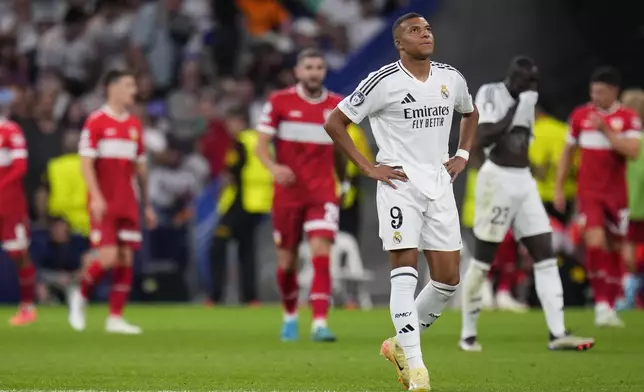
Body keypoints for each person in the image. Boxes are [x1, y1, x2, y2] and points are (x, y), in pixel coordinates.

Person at [324, 13, 479, 391]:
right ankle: (417, 369)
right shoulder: (383, 81)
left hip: (439, 183)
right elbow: (334, 122)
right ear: (399, 43)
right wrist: (367, 166)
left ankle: (397, 345)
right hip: (399, 184)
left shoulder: (450, 78)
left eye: (427, 29)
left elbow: (470, 112)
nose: (425, 34)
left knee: (447, 280)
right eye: (414, 31)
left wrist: (462, 153)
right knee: (405, 272)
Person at [459, 57, 594, 353]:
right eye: (525, 80)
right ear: (512, 77)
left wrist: (524, 103)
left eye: (533, 82)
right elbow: (484, 135)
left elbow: (521, 141)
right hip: (496, 180)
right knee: (483, 261)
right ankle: (467, 333)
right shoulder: (491, 92)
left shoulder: (530, 99)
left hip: (524, 181)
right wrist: (516, 105)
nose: (530, 86)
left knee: (545, 255)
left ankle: (557, 333)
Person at [256, 48, 343, 342]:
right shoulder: (279, 102)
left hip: (322, 193)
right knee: (287, 262)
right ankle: (290, 315)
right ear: (298, 72)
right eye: (308, 66)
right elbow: (260, 145)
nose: (314, 72)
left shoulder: (337, 106)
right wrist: (273, 166)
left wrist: (341, 183)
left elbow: (342, 149)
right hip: (288, 194)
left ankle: (320, 322)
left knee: (321, 253)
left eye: (319, 66)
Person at [68, 69, 157, 334]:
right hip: (104, 202)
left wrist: (148, 205)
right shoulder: (96, 122)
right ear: (112, 88)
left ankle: (115, 318)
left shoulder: (134, 125)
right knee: (107, 258)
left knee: (126, 258)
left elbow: (141, 169)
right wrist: (95, 196)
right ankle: (80, 295)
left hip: (128, 202)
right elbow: (86, 164)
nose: (134, 90)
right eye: (129, 85)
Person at [555, 67, 642, 326]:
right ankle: (602, 305)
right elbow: (567, 153)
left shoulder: (628, 118)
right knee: (595, 243)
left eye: (601, 92)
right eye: (593, 91)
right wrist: (560, 187)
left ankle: (611, 302)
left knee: (616, 249)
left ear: (614, 91)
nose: (596, 96)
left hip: (617, 194)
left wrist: (606, 130)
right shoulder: (580, 115)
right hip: (589, 192)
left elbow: (634, 150)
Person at [209, 107, 273, 305]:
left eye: (231, 122)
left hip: (238, 203)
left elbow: (231, 172)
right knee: (247, 251)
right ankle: (251, 298)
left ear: (240, 121)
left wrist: (223, 183)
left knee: (217, 246)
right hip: (258, 203)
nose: (229, 126)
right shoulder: (261, 141)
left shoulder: (240, 142)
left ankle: (215, 296)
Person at [0, 95, 37, 326]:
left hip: (9, 204)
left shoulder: (10, 131)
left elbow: (20, 167)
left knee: (19, 254)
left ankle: (27, 307)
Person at [615, 89, 644, 309]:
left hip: (627, 204)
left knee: (627, 252)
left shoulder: (621, 142)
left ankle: (629, 293)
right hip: (634, 203)